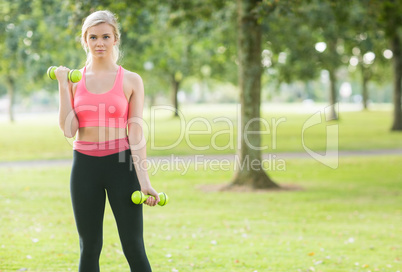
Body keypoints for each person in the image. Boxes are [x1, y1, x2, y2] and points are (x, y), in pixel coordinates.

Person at [54, 10, 158, 272]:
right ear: (85, 40)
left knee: (133, 246)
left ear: (115, 40)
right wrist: (63, 86)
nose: (99, 42)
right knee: (89, 247)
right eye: (93, 37)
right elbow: (69, 130)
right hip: (85, 167)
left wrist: (144, 182)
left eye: (105, 36)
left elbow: (135, 132)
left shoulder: (132, 80)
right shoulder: (75, 81)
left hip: (121, 167)